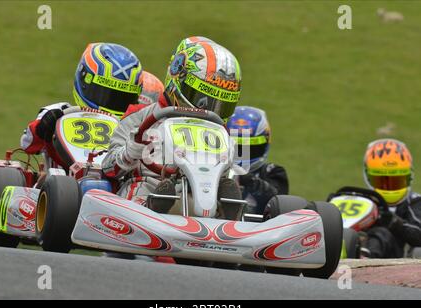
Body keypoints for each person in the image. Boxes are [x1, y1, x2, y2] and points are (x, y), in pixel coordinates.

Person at [102, 36, 242, 209]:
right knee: (142, 188)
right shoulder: (140, 115)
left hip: (200, 196)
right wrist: (130, 152)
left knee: (225, 191)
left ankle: (231, 213)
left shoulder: (219, 130)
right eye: (203, 100)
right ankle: (155, 207)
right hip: (148, 188)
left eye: (222, 105)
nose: (210, 110)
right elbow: (107, 168)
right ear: (178, 76)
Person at [20, 42, 145, 169]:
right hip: (59, 182)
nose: (111, 103)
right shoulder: (58, 111)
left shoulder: (133, 125)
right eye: (104, 93)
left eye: (122, 98)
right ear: (84, 79)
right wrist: (42, 128)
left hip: (117, 184)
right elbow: (27, 143)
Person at [226, 106, 289, 219]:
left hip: (257, 231)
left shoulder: (272, 172)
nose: (241, 154)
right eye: (236, 148)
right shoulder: (214, 171)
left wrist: (249, 180)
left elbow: (280, 203)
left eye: (249, 148)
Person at [362, 138, 421, 258]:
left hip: (400, 262)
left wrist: (394, 222)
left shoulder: (415, 202)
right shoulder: (363, 200)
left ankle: (365, 259)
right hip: (360, 245)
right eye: (382, 181)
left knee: (381, 233)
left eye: (397, 181)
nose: (389, 187)